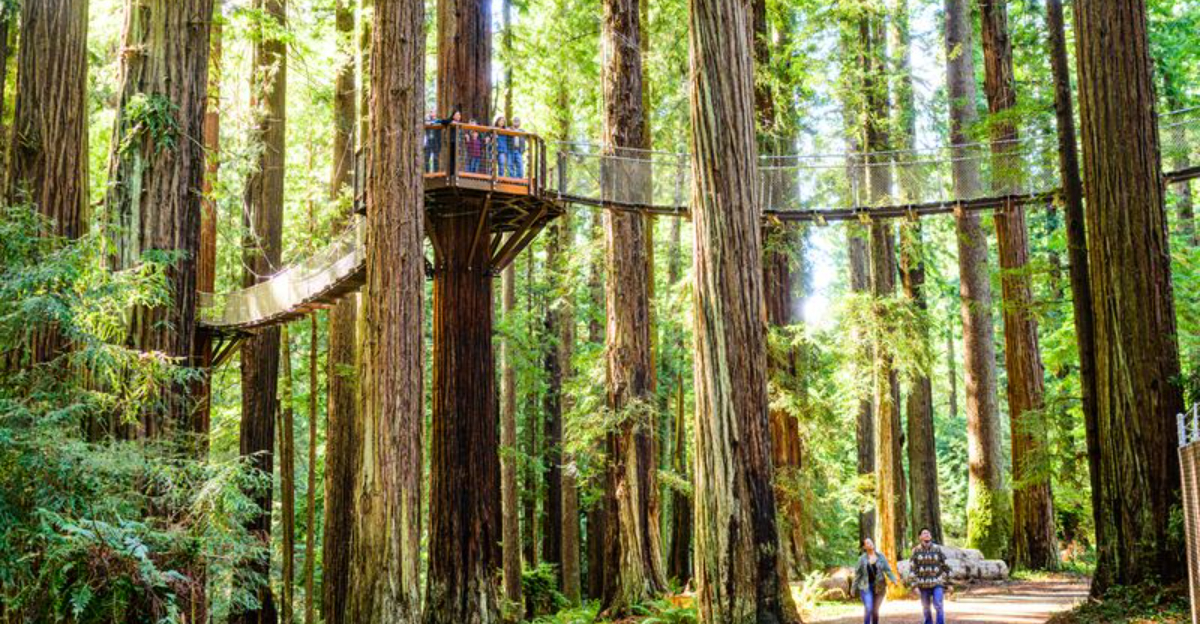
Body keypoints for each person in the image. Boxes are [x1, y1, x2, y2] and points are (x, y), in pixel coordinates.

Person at [911, 528, 950, 624]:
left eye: (928, 533)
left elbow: (945, 566)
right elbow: (912, 569)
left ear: (931, 536)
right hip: (923, 584)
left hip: (937, 582)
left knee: (938, 604)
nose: (927, 534)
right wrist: (914, 585)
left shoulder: (937, 549)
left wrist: (948, 583)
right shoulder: (915, 551)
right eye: (924, 533)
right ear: (920, 537)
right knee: (926, 607)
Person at [854, 537, 897, 624]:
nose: (870, 544)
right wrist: (853, 588)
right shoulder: (862, 559)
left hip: (879, 586)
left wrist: (894, 580)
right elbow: (858, 574)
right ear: (864, 547)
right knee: (869, 607)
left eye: (871, 542)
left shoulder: (880, 556)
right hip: (865, 586)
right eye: (867, 543)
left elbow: (887, 570)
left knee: (875, 611)